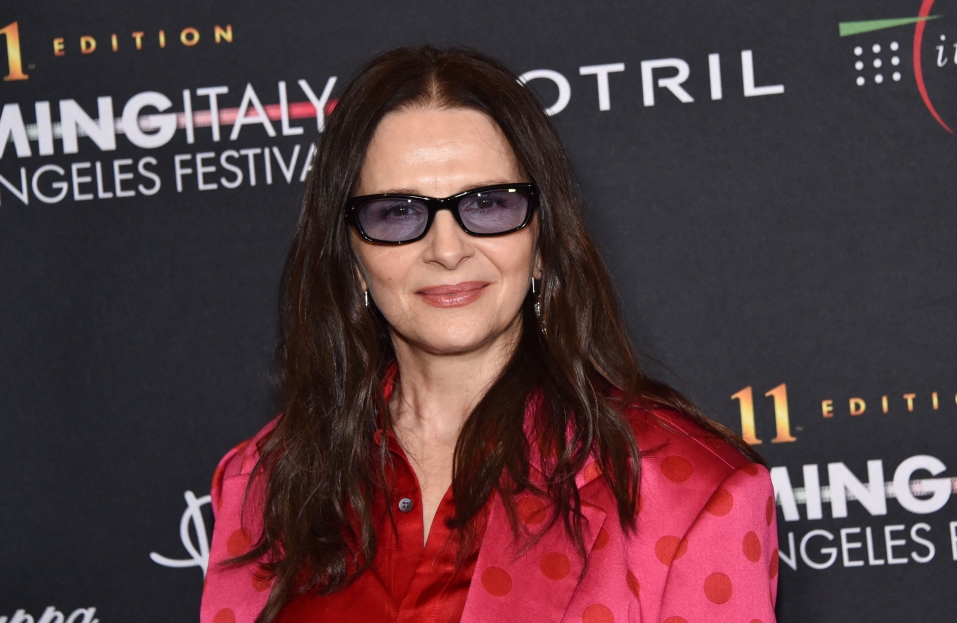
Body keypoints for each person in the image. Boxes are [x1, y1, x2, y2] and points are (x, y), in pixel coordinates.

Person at [201, 46, 778, 623]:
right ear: (351, 254)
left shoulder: (691, 492)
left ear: (543, 240)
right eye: (398, 213)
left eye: (489, 204)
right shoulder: (262, 481)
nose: (448, 250)